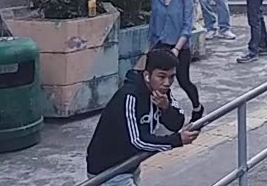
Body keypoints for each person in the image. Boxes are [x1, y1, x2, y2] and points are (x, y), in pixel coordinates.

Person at [85, 47, 200, 185]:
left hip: (130, 165)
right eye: (161, 76)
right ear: (147, 75)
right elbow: (137, 140)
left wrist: (166, 108)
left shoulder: (163, 92)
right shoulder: (130, 96)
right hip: (108, 169)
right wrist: (177, 140)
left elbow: (176, 123)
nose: (167, 83)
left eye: (171, 77)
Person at [147, 0, 203, 122]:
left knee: (183, 80)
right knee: (159, 81)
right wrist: (150, 48)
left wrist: (177, 49)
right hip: (160, 45)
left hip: (179, 46)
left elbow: (187, 25)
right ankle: (163, 111)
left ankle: (197, 107)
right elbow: (153, 24)